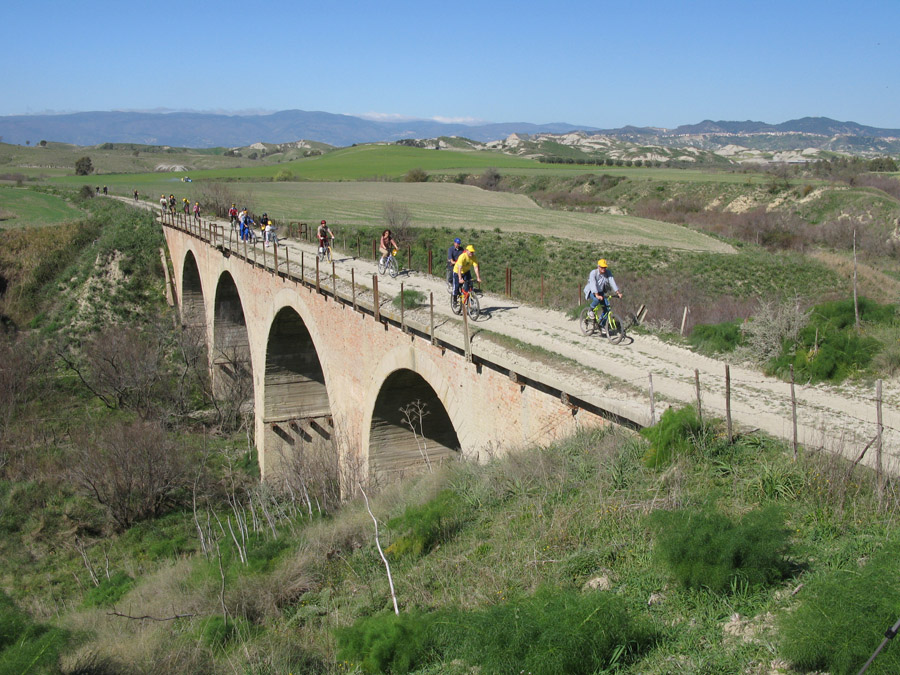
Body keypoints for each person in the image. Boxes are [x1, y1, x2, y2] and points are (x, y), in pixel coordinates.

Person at [584, 258, 622, 328]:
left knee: (607, 309)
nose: (603, 269)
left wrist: (618, 292)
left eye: (605, 267)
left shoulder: (608, 273)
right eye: (602, 267)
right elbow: (593, 284)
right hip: (591, 291)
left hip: (600, 292)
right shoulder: (593, 273)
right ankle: (590, 310)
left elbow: (612, 282)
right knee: (596, 300)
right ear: (598, 267)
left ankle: (601, 325)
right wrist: (597, 295)